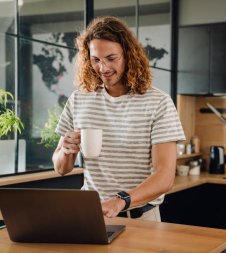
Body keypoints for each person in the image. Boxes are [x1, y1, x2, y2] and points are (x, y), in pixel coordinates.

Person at [52, 16, 185, 222]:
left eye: (111, 58)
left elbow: (165, 177)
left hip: (140, 217)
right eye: (96, 60)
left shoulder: (158, 102)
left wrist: (121, 200)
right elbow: (60, 168)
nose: (103, 68)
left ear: (129, 55)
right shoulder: (79, 99)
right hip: (91, 214)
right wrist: (66, 151)